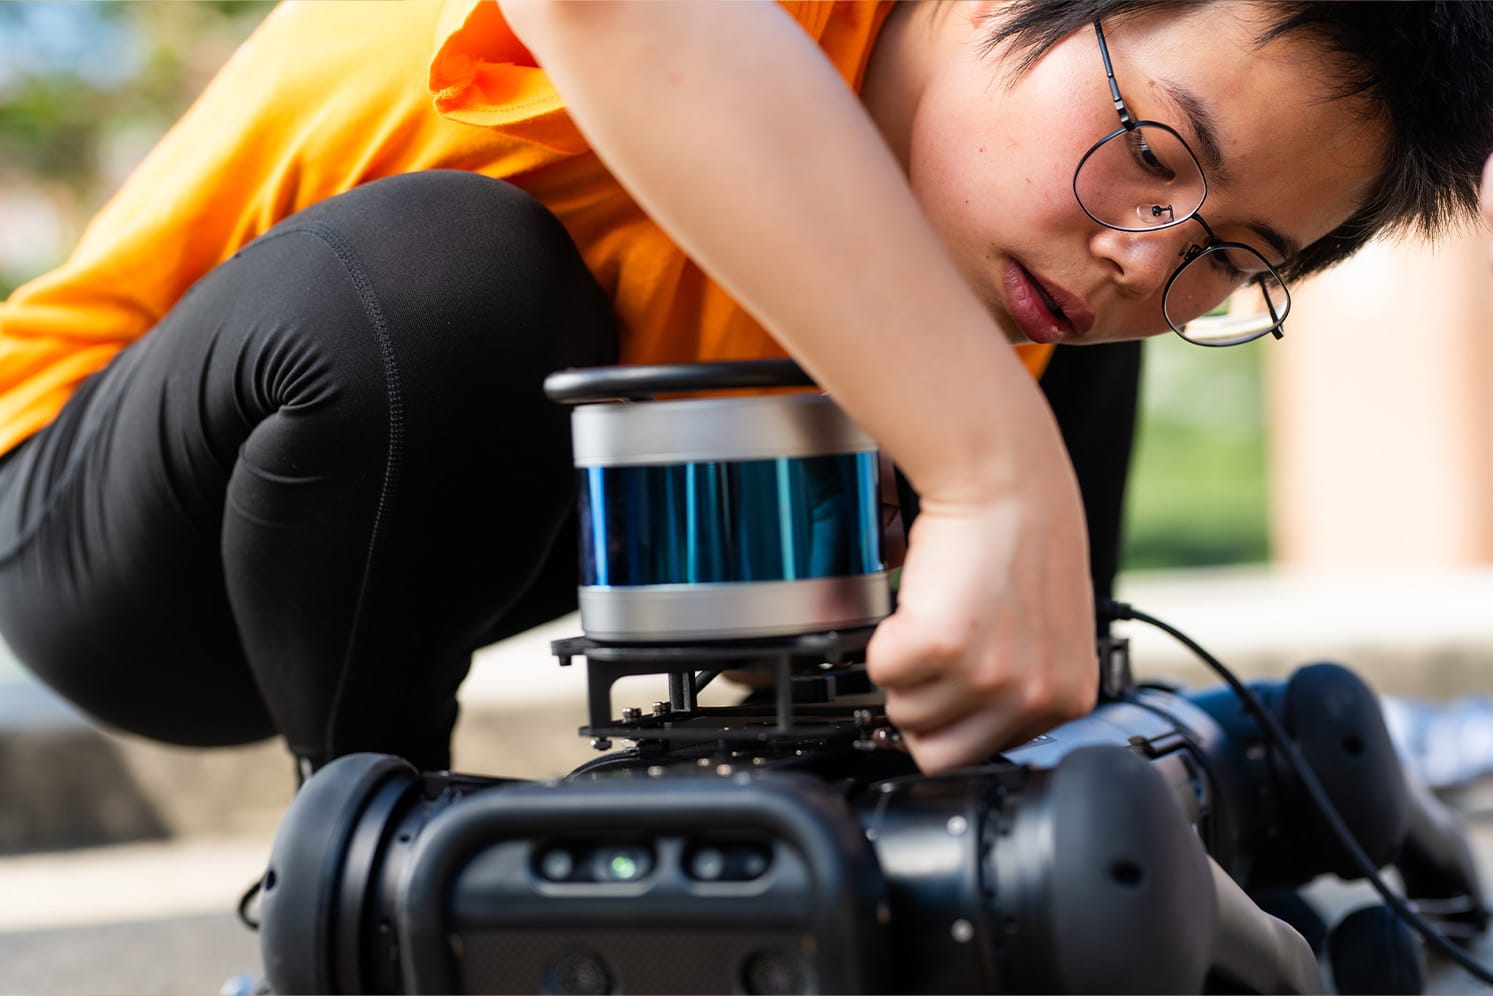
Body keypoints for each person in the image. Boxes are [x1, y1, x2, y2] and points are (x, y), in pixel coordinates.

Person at [1, 1, 1489, 778]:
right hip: (142, 534)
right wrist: (994, 469)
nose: (1145, 251)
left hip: (540, 506)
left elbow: (1108, 258)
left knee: (1049, 330)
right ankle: (371, 849)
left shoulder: (1042, 245)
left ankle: (1028, 752)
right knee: (456, 267)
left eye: (1235, 256)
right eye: (1155, 152)